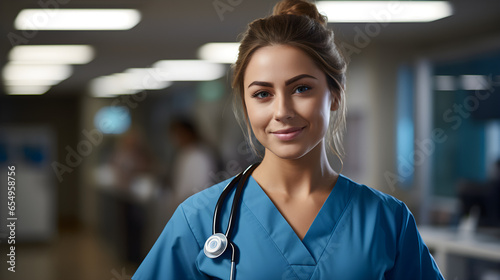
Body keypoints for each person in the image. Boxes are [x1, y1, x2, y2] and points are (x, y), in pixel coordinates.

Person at [132, 0, 444, 279]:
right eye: (262, 94)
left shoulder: (387, 220)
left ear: (335, 94)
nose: (282, 111)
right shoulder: (200, 219)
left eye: (301, 89)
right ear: (245, 103)